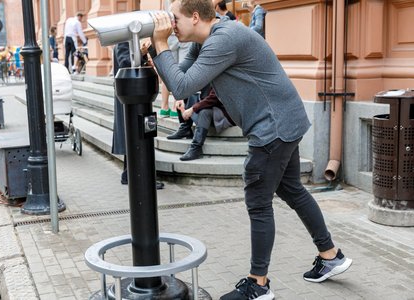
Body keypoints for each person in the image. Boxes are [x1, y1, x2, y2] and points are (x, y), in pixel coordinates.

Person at [149, 2, 352, 299]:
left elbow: (180, 87)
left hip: (273, 129)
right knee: (293, 189)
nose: (171, 24)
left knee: (258, 204)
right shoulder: (208, 38)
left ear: (195, 17)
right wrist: (156, 50)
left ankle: (258, 285)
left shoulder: (224, 38)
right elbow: (177, 76)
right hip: (285, 121)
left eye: (174, 19)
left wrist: (159, 41)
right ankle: (331, 255)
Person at [112, 41, 164, 190]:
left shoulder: (130, 41)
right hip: (132, 96)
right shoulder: (122, 42)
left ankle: (129, 174)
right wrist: (141, 54)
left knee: (137, 135)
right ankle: (136, 176)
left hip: (139, 94)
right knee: (136, 135)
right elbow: (125, 63)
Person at [177, 88, 234, 161]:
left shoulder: (223, 77)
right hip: (213, 107)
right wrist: (181, 98)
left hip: (226, 113)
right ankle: (185, 128)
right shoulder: (206, 76)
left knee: (204, 112)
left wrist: (192, 109)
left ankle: (196, 147)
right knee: (190, 95)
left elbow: (213, 98)